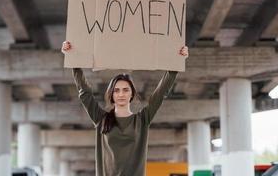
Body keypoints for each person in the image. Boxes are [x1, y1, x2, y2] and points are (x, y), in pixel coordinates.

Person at [61, 41, 188, 176]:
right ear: (112, 94)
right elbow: (85, 93)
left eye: (125, 90)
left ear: (131, 93)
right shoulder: (101, 119)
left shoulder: (142, 119)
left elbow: (161, 93)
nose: (121, 94)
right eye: (116, 90)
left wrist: (176, 63)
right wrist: (73, 60)